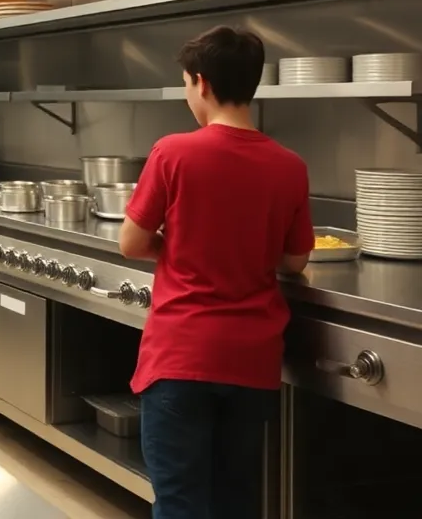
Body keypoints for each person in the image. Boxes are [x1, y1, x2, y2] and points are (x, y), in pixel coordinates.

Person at [119, 26, 314, 519]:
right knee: (236, 501)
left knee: (181, 502)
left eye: (186, 84)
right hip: (252, 363)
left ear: (200, 83)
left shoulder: (174, 152)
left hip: (182, 357)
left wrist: (178, 245)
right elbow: (295, 261)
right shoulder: (290, 165)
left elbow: (131, 243)